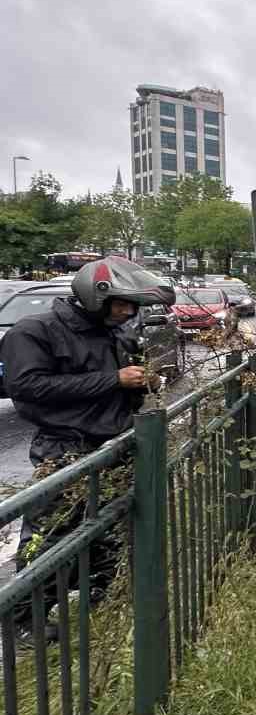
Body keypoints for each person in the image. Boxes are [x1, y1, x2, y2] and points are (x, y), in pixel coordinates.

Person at [0, 257, 175, 624]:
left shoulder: (116, 334)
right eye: (121, 304)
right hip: (65, 447)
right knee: (52, 532)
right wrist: (114, 379)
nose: (128, 312)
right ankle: (25, 619)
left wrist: (146, 381)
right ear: (95, 296)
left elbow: (127, 382)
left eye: (133, 306)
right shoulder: (36, 332)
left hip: (114, 444)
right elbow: (27, 387)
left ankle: (100, 598)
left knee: (109, 529)